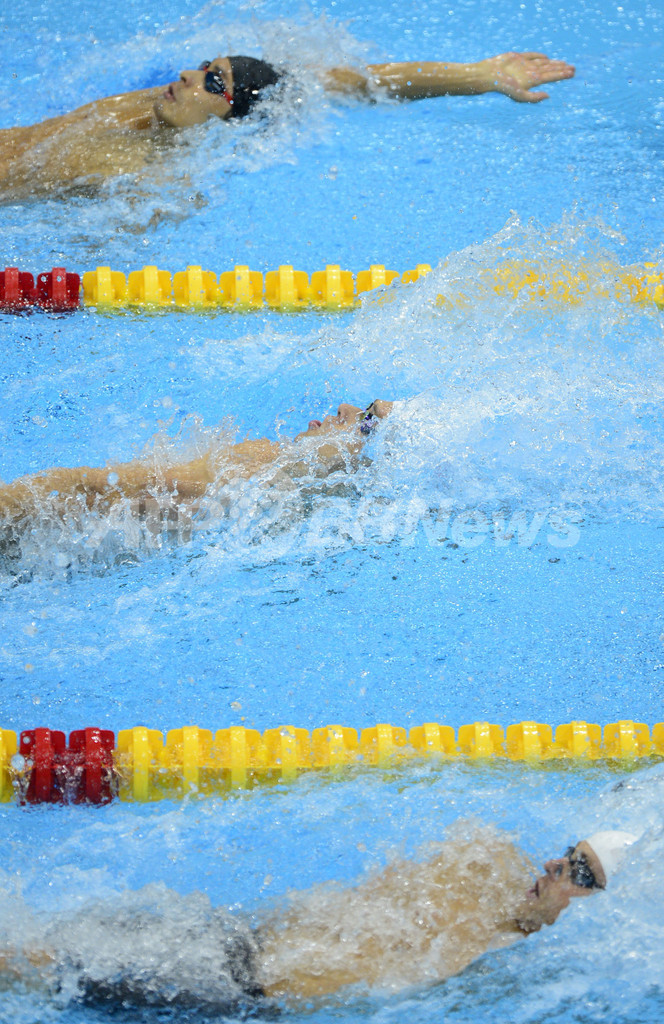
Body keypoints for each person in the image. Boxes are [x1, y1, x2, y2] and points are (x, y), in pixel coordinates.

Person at [0, 828, 637, 1010]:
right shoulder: (480, 862)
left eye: (580, 873)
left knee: (31, 966)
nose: (556, 865)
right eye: (568, 852)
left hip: (238, 994)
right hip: (233, 936)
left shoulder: (500, 967)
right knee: (45, 944)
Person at [0, 51, 574, 200]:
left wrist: (480, 78)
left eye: (213, 82)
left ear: (231, 119)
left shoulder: (149, 178)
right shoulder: (155, 101)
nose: (186, 76)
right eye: (204, 68)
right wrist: (470, 73)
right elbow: (355, 80)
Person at [0, 399, 393, 533]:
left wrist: (379, 419)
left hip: (85, 499)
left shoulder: (279, 468)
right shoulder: (278, 463)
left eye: (358, 420)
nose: (342, 409)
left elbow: (390, 414)